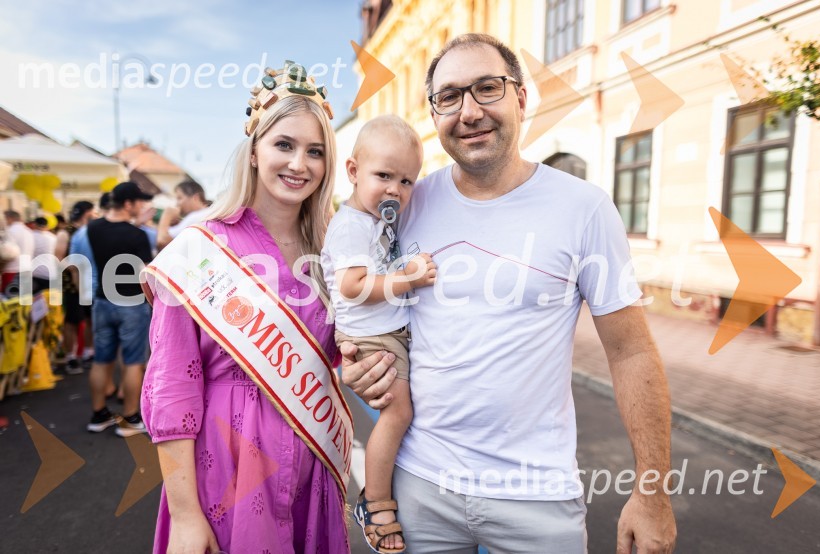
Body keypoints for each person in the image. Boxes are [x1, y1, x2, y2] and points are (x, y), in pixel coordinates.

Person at [341, 33, 677, 554]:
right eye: (449, 96)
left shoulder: (583, 208)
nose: (469, 111)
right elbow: (363, 292)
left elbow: (631, 352)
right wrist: (362, 363)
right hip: (420, 485)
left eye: (487, 88)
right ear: (434, 114)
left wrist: (652, 493)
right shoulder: (408, 198)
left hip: (537, 499)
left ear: (521, 98)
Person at [140, 63, 350, 553]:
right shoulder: (199, 250)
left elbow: (342, 357)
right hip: (227, 469)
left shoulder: (333, 254)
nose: (300, 163)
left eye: (315, 152)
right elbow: (171, 392)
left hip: (308, 466)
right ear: (254, 151)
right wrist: (187, 515)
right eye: (284, 144)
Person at [321, 114, 435, 553]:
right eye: (383, 175)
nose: (395, 190)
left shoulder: (374, 220)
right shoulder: (351, 224)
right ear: (353, 172)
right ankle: (375, 499)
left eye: (406, 181)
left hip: (390, 331)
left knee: (405, 412)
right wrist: (407, 278)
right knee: (398, 414)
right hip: (373, 337)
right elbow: (353, 286)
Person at [85, 181, 154, 436]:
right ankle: (130, 418)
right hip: (131, 303)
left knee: (101, 360)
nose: (142, 206)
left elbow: (113, 233)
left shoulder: (93, 228)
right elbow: (146, 273)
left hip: (102, 301)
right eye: (139, 202)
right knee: (133, 362)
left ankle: (98, 414)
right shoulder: (138, 235)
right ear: (128, 204)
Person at [58, 201, 96, 374]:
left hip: (91, 283)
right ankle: (70, 357)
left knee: (90, 320)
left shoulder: (92, 231)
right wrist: (75, 272)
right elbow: (58, 258)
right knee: (72, 321)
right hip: (72, 286)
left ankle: (88, 352)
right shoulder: (66, 233)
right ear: (86, 213)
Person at [156, 180, 211, 249]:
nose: (177, 203)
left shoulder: (195, 216)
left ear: (196, 198)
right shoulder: (207, 213)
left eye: (179, 198)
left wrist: (167, 215)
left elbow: (162, 241)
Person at [2, 210, 35, 295]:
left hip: (11, 270)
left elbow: (6, 252)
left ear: (9, 218)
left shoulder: (10, 231)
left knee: (9, 299)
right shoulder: (29, 231)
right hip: (26, 269)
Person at [30, 216, 58, 294]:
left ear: (34, 224)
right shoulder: (53, 237)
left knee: (35, 300)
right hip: (51, 273)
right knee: (48, 301)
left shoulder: (31, 236)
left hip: (35, 273)